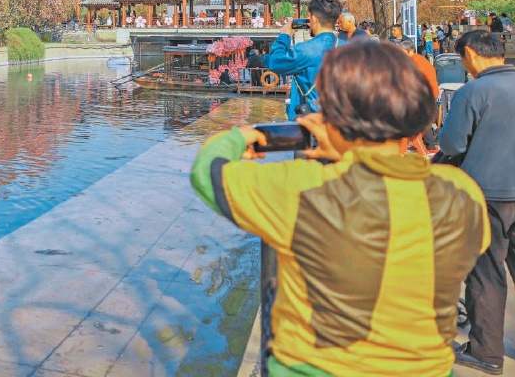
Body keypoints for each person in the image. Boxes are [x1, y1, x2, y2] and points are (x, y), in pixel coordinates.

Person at [192, 42, 490, 377]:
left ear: (334, 114)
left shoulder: (304, 188)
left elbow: (207, 170)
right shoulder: (462, 194)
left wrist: (243, 135)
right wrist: (348, 153)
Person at [439, 31, 515, 375]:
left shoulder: (474, 90)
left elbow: (453, 144)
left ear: (470, 53)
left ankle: (486, 352)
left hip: (487, 193)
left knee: (486, 273)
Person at [266, 0, 343, 119]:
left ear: (313, 19)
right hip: (344, 121)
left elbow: (275, 62)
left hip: (316, 123)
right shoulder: (351, 49)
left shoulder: (305, 50)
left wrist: (284, 36)